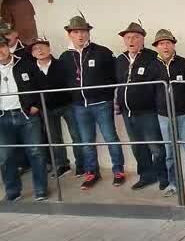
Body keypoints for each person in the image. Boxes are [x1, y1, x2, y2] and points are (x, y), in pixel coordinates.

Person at [59, 14, 125, 189]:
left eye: (83, 31)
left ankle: (118, 171)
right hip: (79, 107)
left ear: (88, 33)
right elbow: (63, 80)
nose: (80, 35)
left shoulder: (103, 52)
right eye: (76, 32)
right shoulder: (65, 57)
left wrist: (108, 96)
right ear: (69, 35)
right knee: (87, 141)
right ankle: (92, 172)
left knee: (111, 138)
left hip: (102, 104)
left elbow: (115, 76)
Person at [147, 29, 185, 198]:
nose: (165, 46)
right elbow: (150, 91)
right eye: (161, 43)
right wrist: (157, 109)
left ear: (173, 45)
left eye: (168, 43)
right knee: (169, 153)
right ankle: (173, 183)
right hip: (163, 116)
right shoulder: (152, 67)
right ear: (156, 47)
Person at [115, 22, 168, 191]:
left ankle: (163, 176)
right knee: (137, 146)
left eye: (135, 37)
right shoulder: (120, 60)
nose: (131, 40)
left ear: (143, 39)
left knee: (156, 147)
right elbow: (117, 84)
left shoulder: (152, 57)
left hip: (148, 112)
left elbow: (161, 84)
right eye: (128, 37)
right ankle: (146, 176)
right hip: (128, 113)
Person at [0, 36, 48, 201]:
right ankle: (13, 191)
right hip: (2, 117)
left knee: (36, 152)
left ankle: (40, 189)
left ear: (8, 47)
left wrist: (37, 105)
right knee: (5, 156)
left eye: (2, 46)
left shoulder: (25, 63)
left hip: (26, 115)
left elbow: (41, 85)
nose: (0, 51)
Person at [29, 36, 83, 177]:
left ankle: (81, 164)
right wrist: (36, 105)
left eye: (42, 46)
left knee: (76, 135)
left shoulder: (62, 64)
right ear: (32, 53)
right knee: (54, 138)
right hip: (46, 108)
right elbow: (30, 89)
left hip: (67, 105)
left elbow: (71, 82)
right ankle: (62, 165)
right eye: (35, 48)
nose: (40, 50)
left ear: (49, 48)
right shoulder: (30, 69)